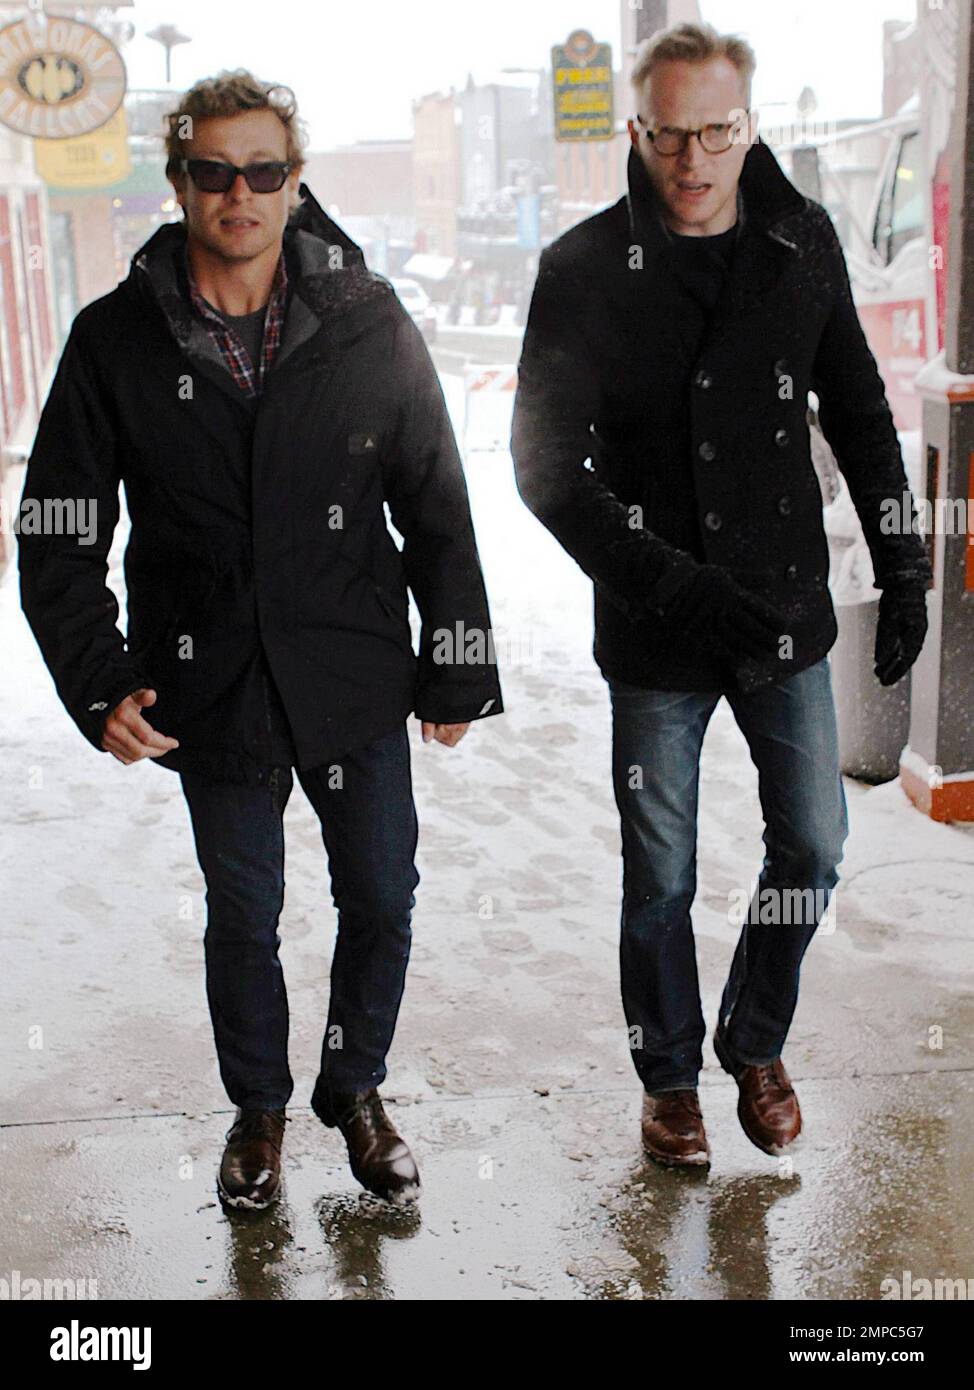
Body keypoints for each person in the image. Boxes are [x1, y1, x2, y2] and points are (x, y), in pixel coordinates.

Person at [18, 70, 503, 1208]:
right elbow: (58, 529)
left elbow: (434, 498)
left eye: (263, 171)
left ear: (295, 182)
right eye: (213, 171)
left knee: (381, 893)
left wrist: (457, 657)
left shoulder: (365, 319)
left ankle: (354, 1086)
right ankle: (259, 1110)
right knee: (243, 914)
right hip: (211, 681)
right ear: (180, 179)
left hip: (350, 666)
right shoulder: (115, 343)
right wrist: (98, 677)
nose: (239, 193)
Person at [511, 23, 929, 1168]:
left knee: (811, 841)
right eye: (667, 135)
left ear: (746, 125)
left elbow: (858, 411)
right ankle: (666, 1080)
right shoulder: (584, 269)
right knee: (659, 869)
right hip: (654, 629)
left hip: (782, 610)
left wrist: (902, 564)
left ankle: (754, 1039)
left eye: (714, 131)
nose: (690, 160)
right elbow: (545, 470)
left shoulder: (800, 240)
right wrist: (670, 582)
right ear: (635, 131)